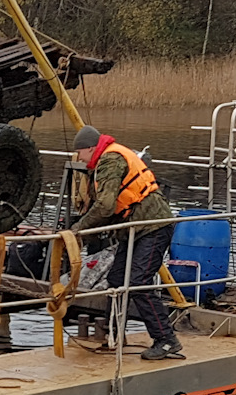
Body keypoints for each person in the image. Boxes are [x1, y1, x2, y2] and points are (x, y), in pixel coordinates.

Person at [72, 125, 184, 360]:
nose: (78, 158)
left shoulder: (110, 160)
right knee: (116, 279)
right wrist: (82, 238)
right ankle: (114, 334)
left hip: (153, 225)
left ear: (90, 149)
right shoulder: (105, 159)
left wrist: (77, 230)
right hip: (135, 228)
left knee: (139, 281)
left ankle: (166, 340)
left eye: (79, 153)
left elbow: (104, 206)